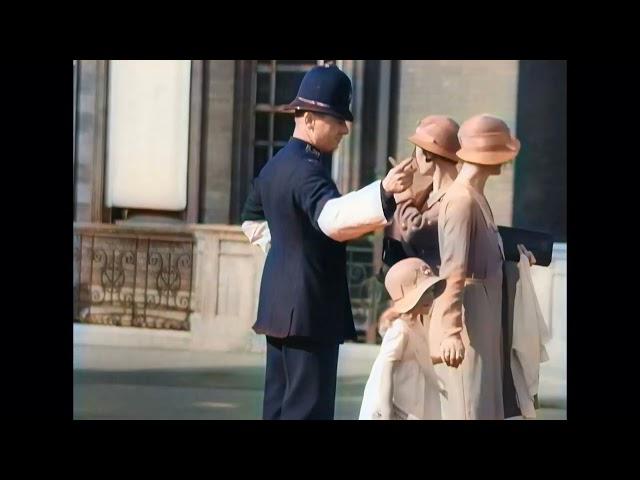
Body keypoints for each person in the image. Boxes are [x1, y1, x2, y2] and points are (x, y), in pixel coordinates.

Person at [240, 65, 415, 420]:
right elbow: (332, 219)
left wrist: (289, 248)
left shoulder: (274, 166)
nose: (344, 129)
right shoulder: (308, 171)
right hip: (309, 310)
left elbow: (250, 219)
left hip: (278, 306)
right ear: (309, 118)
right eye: (337, 118)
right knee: (308, 411)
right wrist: (384, 192)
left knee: (278, 408)